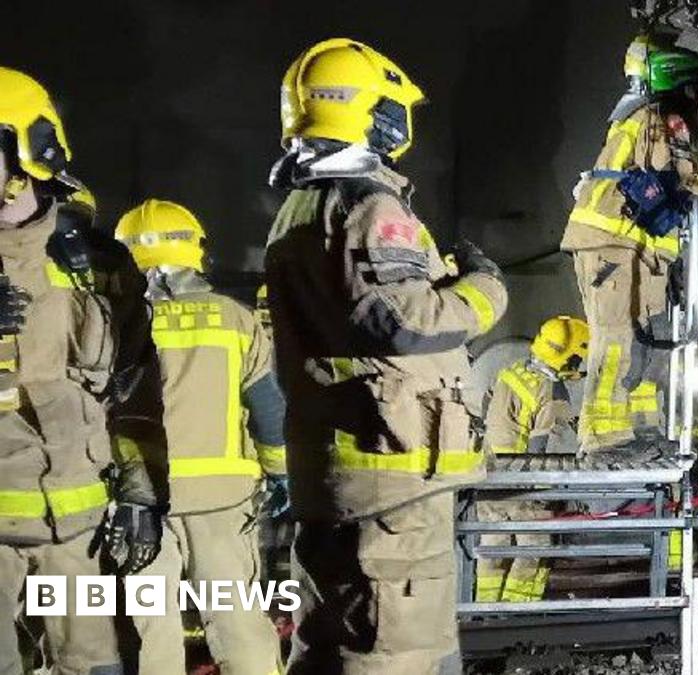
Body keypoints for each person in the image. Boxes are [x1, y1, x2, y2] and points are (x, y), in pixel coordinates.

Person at [264, 38, 508, 674]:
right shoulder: (369, 205)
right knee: (395, 649)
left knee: (335, 641)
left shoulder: (301, 206)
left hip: (347, 470)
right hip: (390, 479)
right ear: (373, 113)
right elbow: (403, 323)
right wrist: (485, 288)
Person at [0, 67, 166, 675]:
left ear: (26, 152)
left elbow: (134, 390)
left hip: (80, 534)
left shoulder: (95, 265)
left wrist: (143, 494)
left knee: (98, 668)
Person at [561, 33, 698, 456]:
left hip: (638, 251)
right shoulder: (662, 119)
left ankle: (641, 429)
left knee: (647, 339)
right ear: (680, 84)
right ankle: (601, 438)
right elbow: (684, 182)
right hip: (613, 246)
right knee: (615, 339)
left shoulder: (643, 118)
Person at [114, 198, 286, 674]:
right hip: (223, 501)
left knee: (151, 626)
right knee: (237, 621)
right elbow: (268, 409)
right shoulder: (235, 319)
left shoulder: (115, 324)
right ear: (195, 250)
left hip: (141, 501)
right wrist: (280, 474)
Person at [476, 316, 587, 603]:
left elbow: (487, 409)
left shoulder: (510, 371)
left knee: (493, 547)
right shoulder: (551, 391)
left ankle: (484, 611)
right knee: (535, 550)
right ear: (568, 356)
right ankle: (519, 612)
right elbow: (540, 450)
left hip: (488, 475)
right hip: (521, 481)